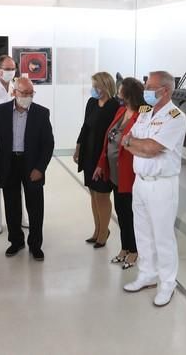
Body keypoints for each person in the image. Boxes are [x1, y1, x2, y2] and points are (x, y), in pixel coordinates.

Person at [121, 71, 186, 307]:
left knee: (163, 236)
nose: (146, 90)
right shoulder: (145, 112)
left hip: (162, 185)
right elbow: (126, 139)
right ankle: (147, 274)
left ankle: (168, 283)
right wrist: (135, 144)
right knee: (143, 232)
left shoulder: (175, 117)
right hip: (141, 182)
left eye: (150, 87)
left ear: (165, 91)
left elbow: (151, 148)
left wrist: (134, 144)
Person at [0, 77, 54, 261]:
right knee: (12, 206)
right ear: (14, 92)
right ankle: (16, 241)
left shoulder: (41, 113)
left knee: (35, 207)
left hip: (31, 164)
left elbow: (48, 144)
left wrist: (40, 168)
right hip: (9, 163)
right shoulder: (1, 111)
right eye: (23, 93)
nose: (27, 96)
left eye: (30, 93)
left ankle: (35, 245)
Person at [93, 77, 145, 269]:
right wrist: (101, 163)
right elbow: (109, 140)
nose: (118, 92)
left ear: (128, 93)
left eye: (121, 89)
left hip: (129, 175)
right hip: (114, 173)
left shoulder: (141, 115)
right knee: (121, 214)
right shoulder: (121, 110)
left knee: (130, 215)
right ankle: (124, 248)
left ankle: (134, 251)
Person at [0, 54, 29, 233]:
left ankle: (21, 216)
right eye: (7, 69)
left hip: (16, 140)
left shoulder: (18, 85)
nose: (11, 72)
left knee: (18, 180)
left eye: (13, 68)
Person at [74, 72, 119, 248]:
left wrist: (105, 158)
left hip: (103, 156)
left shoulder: (114, 106)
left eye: (97, 86)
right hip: (89, 154)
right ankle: (97, 229)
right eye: (93, 86)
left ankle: (104, 231)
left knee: (102, 195)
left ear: (106, 86)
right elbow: (85, 126)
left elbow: (112, 135)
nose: (94, 89)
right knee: (93, 193)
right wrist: (78, 147)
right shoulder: (92, 103)